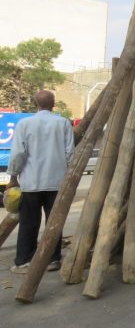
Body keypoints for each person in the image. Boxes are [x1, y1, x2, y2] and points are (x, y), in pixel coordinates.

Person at [7, 90, 74, 274]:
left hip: (31, 183)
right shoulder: (63, 123)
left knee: (28, 223)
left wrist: (13, 177)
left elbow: (18, 154)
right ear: (53, 104)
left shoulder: (25, 124)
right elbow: (70, 153)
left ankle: (23, 261)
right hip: (57, 183)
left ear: (36, 103)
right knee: (54, 223)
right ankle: (52, 260)